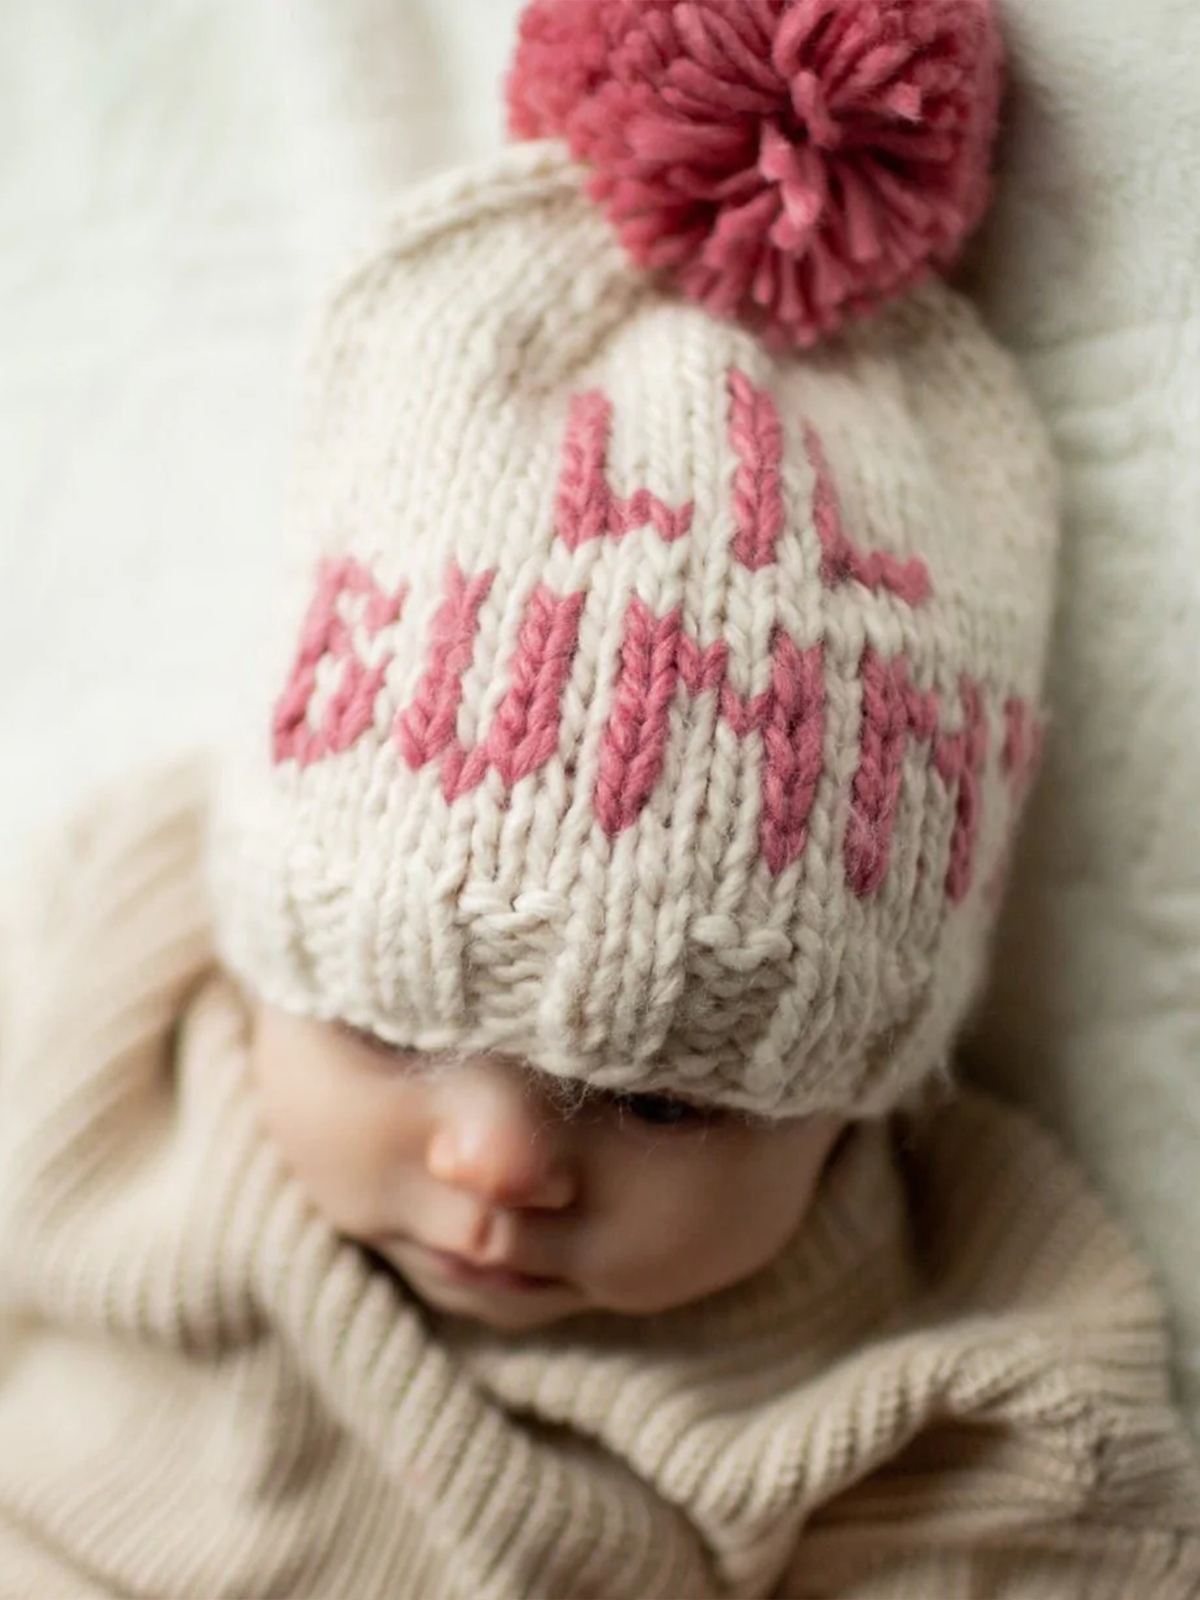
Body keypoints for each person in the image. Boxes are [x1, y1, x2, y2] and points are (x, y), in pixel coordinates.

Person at [2, 1, 1199, 1595]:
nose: (498, 1167)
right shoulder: (123, 982)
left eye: (665, 1102)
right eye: (388, 1023)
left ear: (863, 1086)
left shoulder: (936, 1358)